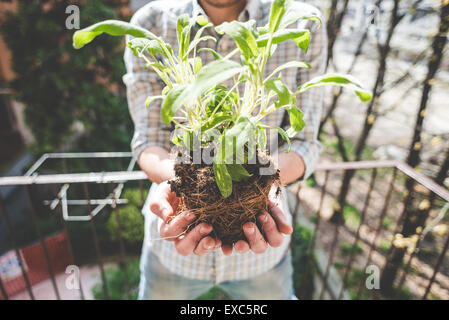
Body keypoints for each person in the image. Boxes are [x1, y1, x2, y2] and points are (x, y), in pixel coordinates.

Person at [123, 0, 327, 300]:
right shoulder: (151, 22)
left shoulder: (301, 22)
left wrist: (262, 180)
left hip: (262, 257)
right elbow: (149, 140)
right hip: (171, 250)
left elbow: (304, 143)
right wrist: (179, 183)